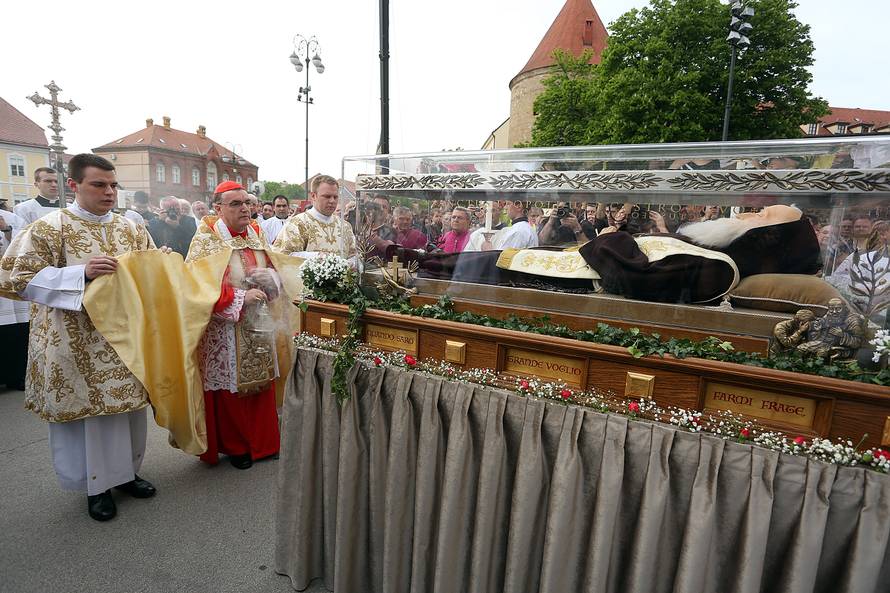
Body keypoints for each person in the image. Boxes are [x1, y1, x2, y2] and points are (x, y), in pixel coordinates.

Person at [0, 153, 158, 521]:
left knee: (127, 412)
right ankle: (95, 485)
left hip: (124, 337)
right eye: (99, 185)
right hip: (74, 339)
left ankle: (128, 474)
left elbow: (149, 269)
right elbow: (18, 279)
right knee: (90, 416)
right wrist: (79, 274)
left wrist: (160, 264)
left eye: (113, 185)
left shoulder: (131, 227)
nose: (109, 192)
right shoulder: (48, 227)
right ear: (74, 185)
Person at [185, 180, 282, 469]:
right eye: (236, 204)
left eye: (247, 203)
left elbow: (274, 267)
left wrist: (270, 279)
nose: (245, 209)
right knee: (231, 389)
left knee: (261, 383)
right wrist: (240, 297)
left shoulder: (256, 232)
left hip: (258, 321)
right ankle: (236, 446)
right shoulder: (206, 239)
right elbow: (196, 286)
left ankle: (264, 443)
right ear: (218, 208)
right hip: (225, 326)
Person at [271, 175, 357, 261]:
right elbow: (284, 256)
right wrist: (317, 256)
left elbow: (354, 255)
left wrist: (351, 263)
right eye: (327, 196)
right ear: (313, 196)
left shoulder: (345, 226)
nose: (332, 201)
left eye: (335, 197)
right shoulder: (297, 224)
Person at [0, 207, 29, 391]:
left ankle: (16, 376)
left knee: (14, 332)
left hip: (6, 279)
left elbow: (25, 244)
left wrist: (7, 229)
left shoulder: (11, 218)